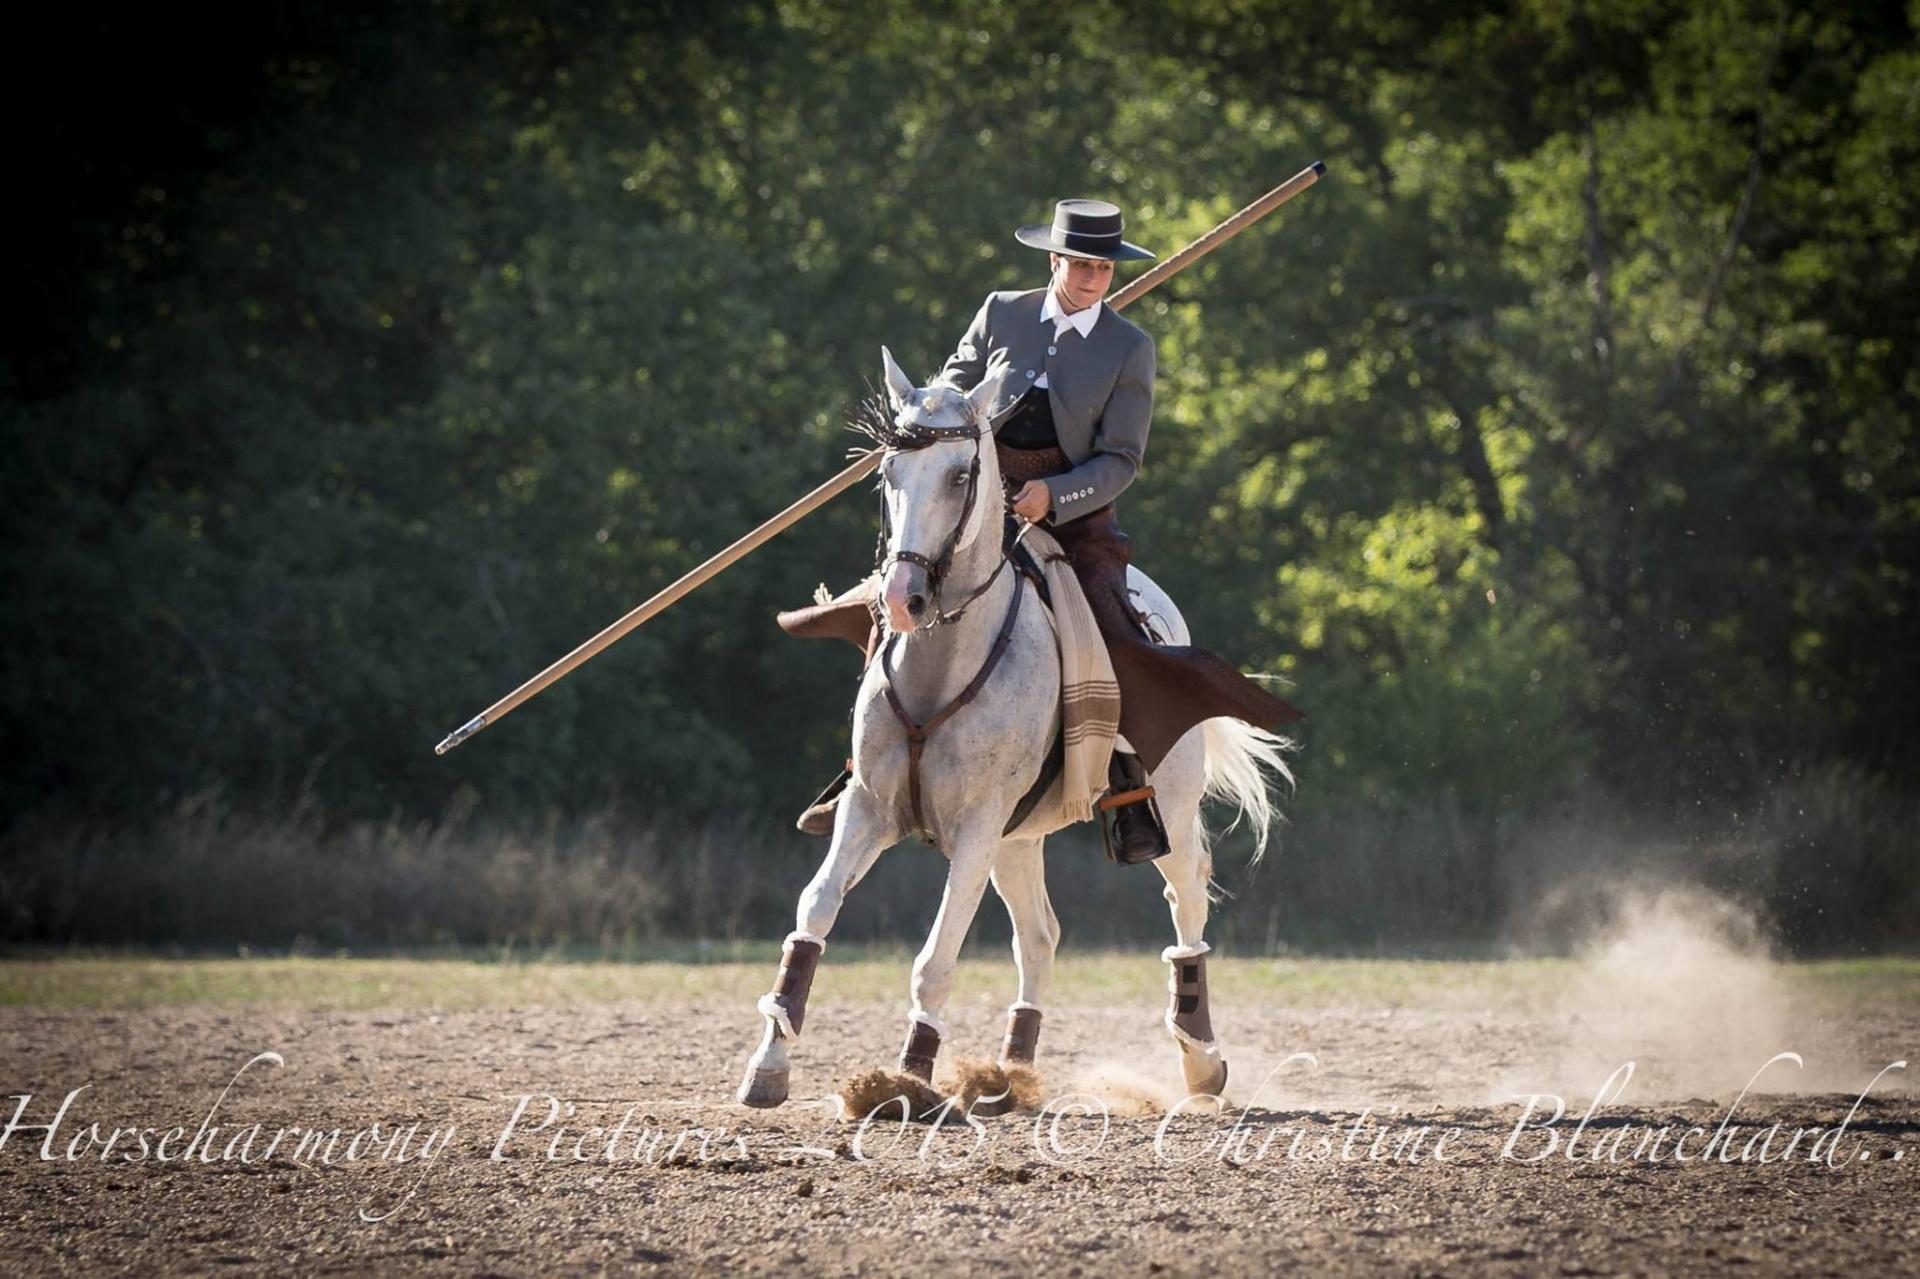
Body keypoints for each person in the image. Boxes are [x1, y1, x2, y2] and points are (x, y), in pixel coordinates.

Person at [785, 199, 1303, 862]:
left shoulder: (1129, 348)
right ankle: (864, 767)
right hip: (978, 508)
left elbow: (1123, 458)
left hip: (1077, 522)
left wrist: (1053, 494)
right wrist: (928, 430)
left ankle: (1126, 783)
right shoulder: (1002, 311)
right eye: (1079, 262)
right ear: (1053, 260)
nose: (1091, 275)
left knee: (1115, 635)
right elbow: (953, 387)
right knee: (891, 597)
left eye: (1102, 265)